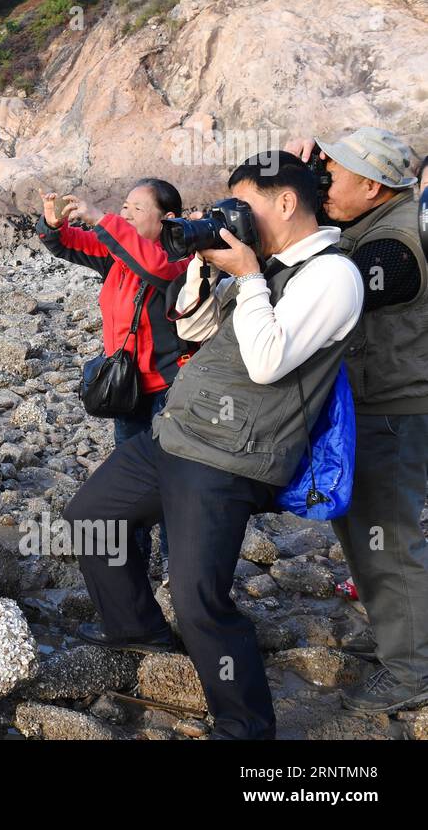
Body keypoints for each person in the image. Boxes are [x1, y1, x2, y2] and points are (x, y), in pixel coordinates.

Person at [64, 154, 363, 739]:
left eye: (242, 207)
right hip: (174, 436)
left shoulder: (333, 275)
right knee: (89, 518)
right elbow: (193, 329)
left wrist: (250, 276)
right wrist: (204, 266)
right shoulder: (266, 264)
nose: (234, 219)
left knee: (198, 600)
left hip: (230, 459)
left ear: (284, 203)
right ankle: (139, 635)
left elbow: (268, 359)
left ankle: (246, 729)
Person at [285, 128, 428, 713]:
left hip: (392, 413)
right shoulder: (373, 228)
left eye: (333, 175)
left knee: (390, 544)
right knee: (366, 538)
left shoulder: (391, 248)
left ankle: (413, 672)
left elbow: (330, 286)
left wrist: (293, 210)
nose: (324, 185)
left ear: (372, 185)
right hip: (376, 408)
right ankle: (403, 645)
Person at [37, 179, 191, 579]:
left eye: (135, 210)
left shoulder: (182, 259)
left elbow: (156, 268)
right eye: (123, 207)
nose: (124, 215)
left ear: (167, 219)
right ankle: (136, 566)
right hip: (130, 393)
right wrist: (53, 225)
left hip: (172, 393)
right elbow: (69, 245)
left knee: (176, 485)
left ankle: (180, 571)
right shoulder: (117, 255)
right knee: (130, 486)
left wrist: (102, 219)